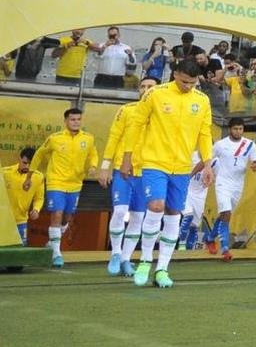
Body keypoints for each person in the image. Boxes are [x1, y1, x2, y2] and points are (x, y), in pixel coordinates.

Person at [122, 58, 215, 288]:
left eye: (192, 83)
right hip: (154, 162)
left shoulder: (202, 100)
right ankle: (145, 260)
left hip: (182, 167)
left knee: (174, 214)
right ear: (175, 74)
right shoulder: (155, 93)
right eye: (184, 82)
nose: (188, 86)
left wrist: (208, 164)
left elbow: (204, 134)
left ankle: (162, 268)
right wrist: (126, 157)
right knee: (155, 206)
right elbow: (136, 125)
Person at [97, 77, 159, 275]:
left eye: (150, 87)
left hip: (147, 172)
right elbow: (114, 137)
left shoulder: (162, 114)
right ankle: (115, 253)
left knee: (137, 218)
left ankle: (126, 258)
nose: (146, 89)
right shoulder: (126, 110)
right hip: (122, 169)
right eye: (143, 86)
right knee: (119, 211)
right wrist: (105, 167)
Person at [31, 108, 98, 267]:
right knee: (57, 213)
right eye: (72, 119)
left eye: (78, 119)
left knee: (67, 217)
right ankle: (56, 253)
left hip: (75, 184)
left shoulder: (88, 138)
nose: (76, 122)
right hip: (56, 182)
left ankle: (52, 243)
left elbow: (92, 154)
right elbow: (40, 153)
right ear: (66, 121)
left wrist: (93, 166)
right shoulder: (55, 138)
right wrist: (31, 173)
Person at [208, 118, 256, 261]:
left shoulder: (249, 144)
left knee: (224, 215)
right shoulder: (220, 145)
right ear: (230, 129)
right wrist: (204, 172)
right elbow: (208, 159)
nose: (238, 131)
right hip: (222, 183)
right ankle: (225, 248)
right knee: (226, 213)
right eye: (235, 129)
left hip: (238, 185)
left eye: (240, 129)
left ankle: (210, 237)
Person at [3, 147, 44, 246]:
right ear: (19, 159)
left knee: (21, 252)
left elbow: (39, 198)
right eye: (25, 163)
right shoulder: (5, 173)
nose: (28, 167)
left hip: (21, 221)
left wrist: (36, 210)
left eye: (31, 164)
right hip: (3, 220)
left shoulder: (38, 177)